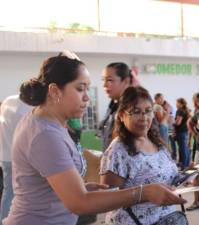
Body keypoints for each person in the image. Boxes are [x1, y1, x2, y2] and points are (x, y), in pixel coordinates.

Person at [4, 52, 185, 225]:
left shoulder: (50, 124)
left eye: (87, 89)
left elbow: (51, 186)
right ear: (54, 91)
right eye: (80, 89)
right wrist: (143, 193)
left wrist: (83, 188)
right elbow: (80, 203)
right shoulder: (45, 134)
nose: (87, 98)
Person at [100, 86, 182, 225]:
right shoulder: (118, 150)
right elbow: (107, 200)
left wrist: (187, 177)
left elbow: (167, 177)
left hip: (167, 219)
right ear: (121, 115)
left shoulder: (157, 142)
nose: (144, 118)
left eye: (148, 111)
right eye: (136, 112)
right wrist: (145, 194)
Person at [0, 95, 32, 223]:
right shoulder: (28, 107)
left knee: (9, 192)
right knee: (21, 193)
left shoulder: (8, 102)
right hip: (21, 156)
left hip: (5, 156)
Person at [99, 62, 133, 151]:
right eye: (103, 80)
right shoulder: (113, 106)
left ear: (126, 81)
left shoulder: (133, 109)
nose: (104, 85)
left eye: (109, 80)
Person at [174, 98, 191, 169]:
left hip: (181, 132)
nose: (176, 104)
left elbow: (178, 122)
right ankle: (186, 164)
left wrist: (172, 123)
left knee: (182, 149)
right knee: (185, 149)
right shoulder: (185, 111)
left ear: (181, 104)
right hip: (185, 131)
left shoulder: (180, 110)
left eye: (177, 103)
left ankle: (183, 166)